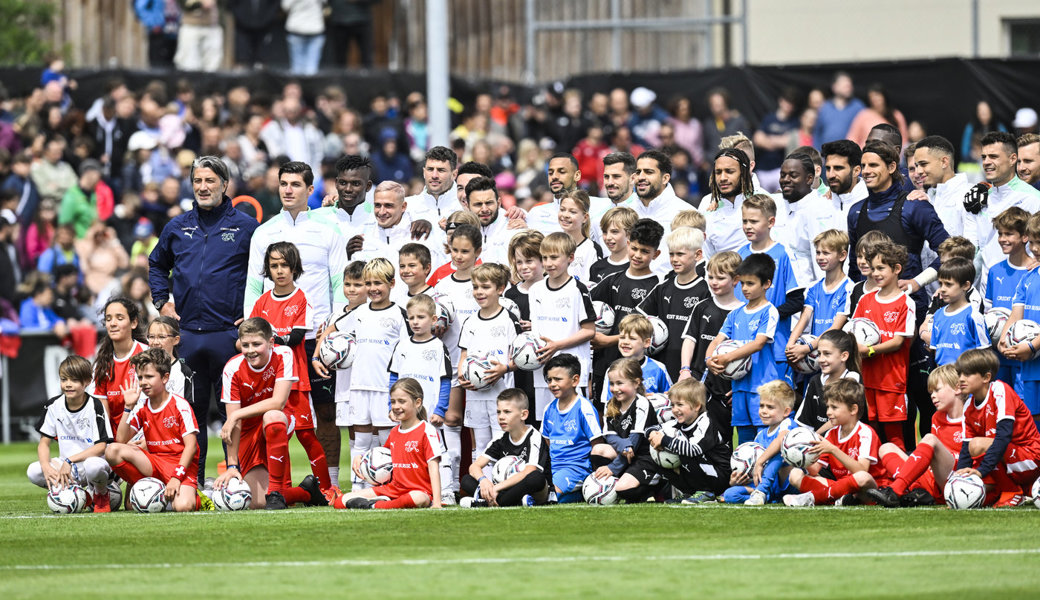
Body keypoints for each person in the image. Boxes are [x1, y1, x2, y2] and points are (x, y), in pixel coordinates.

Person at [148, 155, 259, 483]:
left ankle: (235, 479)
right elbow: (156, 264)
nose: (203, 187)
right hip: (188, 337)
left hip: (229, 335)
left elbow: (265, 274)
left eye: (210, 180)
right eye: (197, 181)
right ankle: (191, 483)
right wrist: (161, 302)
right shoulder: (177, 226)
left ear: (225, 184)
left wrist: (252, 312)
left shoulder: (247, 228)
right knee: (191, 416)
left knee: (231, 412)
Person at [244, 161, 347, 466]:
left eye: (296, 184)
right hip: (274, 341)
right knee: (271, 411)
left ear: (310, 189)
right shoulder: (263, 233)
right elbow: (253, 285)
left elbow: (339, 283)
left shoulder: (328, 230)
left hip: (317, 338)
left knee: (326, 411)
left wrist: (334, 326)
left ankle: (328, 481)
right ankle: (271, 480)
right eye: (283, 184)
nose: (288, 190)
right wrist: (250, 333)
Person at [247, 241, 332, 494]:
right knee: (276, 434)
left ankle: (327, 489)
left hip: (295, 381)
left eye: (284, 265)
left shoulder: (302, 298)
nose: (279, 270)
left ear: (294, 268)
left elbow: (296, 337)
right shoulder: (261, 302)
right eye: (274, 265)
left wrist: (269, 339)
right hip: (268, 383)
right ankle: (281, 490)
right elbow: (252, 337)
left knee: (306, 436)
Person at [215, 318, 324, 509]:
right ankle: (307, 492)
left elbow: (278, 402)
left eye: (257, 344)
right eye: (245, 345)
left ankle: (275, 491)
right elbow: (234, 424)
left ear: (271, 342)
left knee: (272, 417)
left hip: (280, 419)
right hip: (249, 431)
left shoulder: (284, 354)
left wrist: (236, 415)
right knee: (256, 502)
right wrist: (231, 466)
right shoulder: (232, 368)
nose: (251, 350)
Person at [846, 141, 949, 313]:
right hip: (867, 310)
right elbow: (854, 267)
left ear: (892, 167)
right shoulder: (855, 211)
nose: (866, 171)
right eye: (863, 166)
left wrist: (917, 282)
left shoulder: (914, 206)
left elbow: (950, 252)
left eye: (873, 165)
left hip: (908, 308)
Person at [105, 349, 201, 512]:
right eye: (140, 377)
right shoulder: (141, 406)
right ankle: (148, 488)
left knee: (183, 506)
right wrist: (128, 407)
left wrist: (176, 477)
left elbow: (191, 447)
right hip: (154, 462)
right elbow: (120, 440)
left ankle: (196, 497)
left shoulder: (180, 405)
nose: (143, 382)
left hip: (179, 464)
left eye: (149, 377)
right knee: (112, 450)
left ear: (165, 378)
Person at [333, 378, 444, 509]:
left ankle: (376, 505)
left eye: (402, 401)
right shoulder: (394, 432)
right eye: (393, 402)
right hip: (393, 489)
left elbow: (433, 467)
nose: (396, 406)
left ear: (417, 402)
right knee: (341, 501)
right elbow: (381, 455)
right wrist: (361, 458)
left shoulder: (427, 430)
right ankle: (382, 503)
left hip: (419, 491)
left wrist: (437, 502)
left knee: (418, 498)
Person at [705, 253, 781, 445]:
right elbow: (717, 341)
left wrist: (727, 358)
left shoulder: (769, 311)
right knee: (744, 441)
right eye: (743, 283)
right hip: (739, 388)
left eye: (751, 283)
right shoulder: (735, 314)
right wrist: (709, 360)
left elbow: (758, 343)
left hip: (762, 388)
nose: (745, 288)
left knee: (763, 439)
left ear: (766, 284)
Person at [868, 365, 966, 507]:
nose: (932, 395)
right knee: (886, 448)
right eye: (931, 392)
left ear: (957, 388)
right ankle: (918, 492)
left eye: (937, 390)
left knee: (930, 439)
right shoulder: (937, 417)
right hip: (934, 479)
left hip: (957, 480)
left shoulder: (971, 416)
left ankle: (896, 490)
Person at [28, 355, 114, 511]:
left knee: (93, 467)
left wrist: (69, 460)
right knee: (33, 471)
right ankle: (79, 493)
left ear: (87, 381)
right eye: (64, 379)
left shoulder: (95, 406)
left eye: (74, 380)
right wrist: (46, 466)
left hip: (91, 463)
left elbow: (101, 447)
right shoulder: (53, 405)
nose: (68, 384)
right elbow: (44, 443)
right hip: (66, 467)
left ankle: (101, 492)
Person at [589, 219, 662, 402]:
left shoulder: (657, 287)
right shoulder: (613, 280)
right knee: (604, 408)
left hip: (635, 366)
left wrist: (609, 340)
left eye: (645, 251)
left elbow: (646, 331)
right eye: (634, 248)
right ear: (628, 244)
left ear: (656, 254)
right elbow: (587, 306)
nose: (637, 255)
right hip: (604, 361)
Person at [783, 379, 888, 506]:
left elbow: (862, 470)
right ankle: (841, 499)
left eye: (834, 407)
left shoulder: (865, 433)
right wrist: (798, 456)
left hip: (869, 490)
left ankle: (814, 498)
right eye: (828, 407)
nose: (828, 412)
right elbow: (814, 471)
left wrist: (833, 449)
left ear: (853, 409)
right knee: (795, 475)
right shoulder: (831, 434)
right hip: (843, 488)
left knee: (862, 477)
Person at [954, 349, 1040, 504]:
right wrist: (959, 478)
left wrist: (981, 472)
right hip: (1008, 462)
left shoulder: (1000, 390)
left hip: (1031, 457)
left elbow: (1003, 437)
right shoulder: (968, 406)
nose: (961, 379)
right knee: (974, 447)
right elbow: (965, 450)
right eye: (959, 374)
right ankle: (1020, 489)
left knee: (978, 445)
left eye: (967, 374)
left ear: (986, 377)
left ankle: (1012, 491)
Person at [851, 242, 915, 450]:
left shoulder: (905, 302)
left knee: (894, 434)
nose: (875, 273)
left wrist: (869, 350)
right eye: (873, 268)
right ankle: (878, 469)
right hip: (868, 377)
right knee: (872, 429)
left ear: (896, 269)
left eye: (881, 268)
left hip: (891, 379)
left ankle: (900, 469)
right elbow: (853, 329)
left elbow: (898, 341)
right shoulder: (865, 300)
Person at [528, 233, 596, 422]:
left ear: (570, 257)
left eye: (554, 257)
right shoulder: (535, 290)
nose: (548, 263)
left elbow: (589, 331)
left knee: (574, 424)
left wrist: (557, 345)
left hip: (571, 373)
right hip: (542, 372)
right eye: (544, 258)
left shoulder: (578, 289)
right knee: (548, 424)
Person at [458, 263, 523, 458]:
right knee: (481, 445)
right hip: (475, 395)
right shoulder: (470, 322)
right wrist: (462, 376)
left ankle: (500, 477)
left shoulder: (509, 319)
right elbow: (464, 355)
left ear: (500, 289)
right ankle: (481, 477)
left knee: (500, 442)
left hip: (502, 394)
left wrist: (505, 368)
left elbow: (520, 358)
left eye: (485, 287)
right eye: (475, 287)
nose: (479, 292)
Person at [313, 260, 367, 490]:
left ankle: (364, 481)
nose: (351, 289)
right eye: (347, 284)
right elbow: (324, 343)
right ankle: (333, 484)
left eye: (358, 284)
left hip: (366, 380)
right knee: (347, 426)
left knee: (364, 430)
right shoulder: (334, 316)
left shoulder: (369, 313)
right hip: (343, 384)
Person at [736, 194, 802, 375]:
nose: (748, 226)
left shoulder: (784, 253)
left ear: (771, 222)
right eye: (744, 221)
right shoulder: (739, 255)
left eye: (754, 221)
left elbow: (797, 300)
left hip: (774, 347)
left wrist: (766, 318)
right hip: (741, 345)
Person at [636, 226, 709, 380]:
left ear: (697, 255)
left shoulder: (706, 290)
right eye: (671, 254)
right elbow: (637, 318)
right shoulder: (663, 287)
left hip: (691, 369)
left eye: (680, 254)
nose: (674, 259)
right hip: (662, 363)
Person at [964, 132, 1040, 281]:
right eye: (984, 157)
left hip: (1023, 285)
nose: (986, 162)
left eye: (993, 156)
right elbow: (972, 248)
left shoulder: (1034, 198)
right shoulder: (978, 199)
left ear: (1012, 159)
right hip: (986, 288)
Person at [460, 389, 550, 507]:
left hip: (531, 490)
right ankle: (509, 501)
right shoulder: (500, 438)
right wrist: (483, 480)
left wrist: (496, 488)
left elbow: (529, 471)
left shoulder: (534, 436)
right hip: (505, 490)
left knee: (536, 478)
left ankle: (487, 502)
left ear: (523, 415)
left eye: (507, 412)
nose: (501, 417)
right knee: (466, 480)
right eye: (498, 412)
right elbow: (474, 467)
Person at [590, 358, 662, 503]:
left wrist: (613, 467)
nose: (615, 388)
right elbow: (609, 436)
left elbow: (635, 441)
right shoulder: (610, 404)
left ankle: (655, 485)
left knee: (623, 489)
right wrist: (624, 446)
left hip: (644, 457)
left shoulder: (642, 403)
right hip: (626, 453)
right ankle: (607, 485)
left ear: (636, 383)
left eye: (620, 383)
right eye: (612, 383)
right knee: (598, 449)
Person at [647, 379, 730, 503]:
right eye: (672, 405)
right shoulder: (679, 421)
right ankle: (689, 492)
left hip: (719, 475)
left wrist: (663, 440)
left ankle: (706, 492)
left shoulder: (705, 422)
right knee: (657, 455)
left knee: (685, 452)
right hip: (702, 471)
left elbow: (693, 449)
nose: (675, 410)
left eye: (680, 405)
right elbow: (650, 429)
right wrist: (653, 434)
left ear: (697, 406)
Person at [540, 353, 604, 504]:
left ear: (575, 380)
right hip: (553, 468)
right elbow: (547, 443)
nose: (552, 384)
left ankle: (581, 491)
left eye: (558, 379)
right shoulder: (548, 409)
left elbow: (598, 446)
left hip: (577, 469)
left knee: (546, 495)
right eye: (549, 380)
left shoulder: (584, 408)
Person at [786, 229, 852, 370]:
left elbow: (835, 328)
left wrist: (807, 348)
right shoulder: (813, 287)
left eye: (826, 253)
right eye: (818, 252)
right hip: (814, 356)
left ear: (842, 255)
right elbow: (804, 318)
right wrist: (790, 346)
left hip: (835, 359)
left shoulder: (848, 288)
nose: (820, 257)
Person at [725, 380, 799, 505]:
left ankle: (761, 492)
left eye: (770, 407)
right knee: (730, 494)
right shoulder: (760, 435)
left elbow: (780, 440)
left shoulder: (788, 424)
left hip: (789, 481)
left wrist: (760, 461)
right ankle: (764, 496)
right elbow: (755, 467)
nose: (764, 411)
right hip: (771, 486)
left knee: (780, 451)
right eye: (761, 406)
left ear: (786, 411)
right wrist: (738, 480)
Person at [986, 207, 1036, 385]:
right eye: (1000, 233)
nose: (1002, 239)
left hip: (1027, 357)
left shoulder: (1034, 271)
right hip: (999, 357)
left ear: (1025, 237)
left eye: (1009, 234)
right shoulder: (995, 271)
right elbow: (989, 313)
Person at [350, 181, 445, 270]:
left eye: (388, 206)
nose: (381, 212)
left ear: (403, 207)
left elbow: (434, 274)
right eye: (378, 205)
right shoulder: (362, 238)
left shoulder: (421, 236)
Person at [999, 212, 1040, 420]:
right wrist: (1003, 341)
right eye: (1032, 242)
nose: (1035, 249)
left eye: (1039, 243)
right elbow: (1016, 315)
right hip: (1032, 366)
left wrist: (1032, 346)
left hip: (1031, 350)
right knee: (1033, 419)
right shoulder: (1028, 278)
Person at [775, 153, 838, 284]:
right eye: (782, 175)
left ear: (809, 179)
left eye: (793, 175)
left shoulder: (820, 208)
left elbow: (824, 260)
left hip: (805, 287)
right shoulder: (776, 205)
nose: (786, 180)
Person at [90, 297, 148, 432]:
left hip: (145, 435)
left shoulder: (148, 354)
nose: (113, 323)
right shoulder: (101, 363)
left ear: (133, 323)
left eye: (119, 318)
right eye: (108, 319)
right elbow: (102, 414)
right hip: (113, 439)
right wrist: (108, 440)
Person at [504, 230, 544, 419]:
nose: (523, 267)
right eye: (519, 262)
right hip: (519, 367)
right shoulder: (511, 295)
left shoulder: (550, 290)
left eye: (529, 261)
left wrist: (536, 326)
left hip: (544, 362)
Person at [631, 150, 688, 273]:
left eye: (648, 172)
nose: (641, 177)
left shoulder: (685, 214)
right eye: (638, 172)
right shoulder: (626, 211)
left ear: (665, 178)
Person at [794, 329, 861, 433]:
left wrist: (815, 437)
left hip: (844, 441)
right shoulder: (815, 381)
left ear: (844, 356)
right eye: (819, 354)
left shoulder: (852, 378)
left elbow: (838, 419)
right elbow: (804, 422)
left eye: (827, 354)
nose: (821, 359)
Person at [925, 258, 989, 366]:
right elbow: (936, 353)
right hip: (943, 375)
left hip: (966, 374)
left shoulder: (973, 316)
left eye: (948, 284)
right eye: (940, 283)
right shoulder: (938, 315)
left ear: (966, 285)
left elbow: (984, 352)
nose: (942, 289)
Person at [699, 148, 756, 257]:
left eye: (729, 171)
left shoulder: (761, 200)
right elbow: (705, 254)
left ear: (743, 172)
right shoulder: (707, 203)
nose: (722, 178)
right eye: (718, 172)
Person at [912, 136, 969, 238]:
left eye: (923, 164)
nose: (918, 171)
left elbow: (973, 244)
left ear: (944, 162)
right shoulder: (925, 197)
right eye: (917, 166)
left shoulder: (968, 196)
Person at [753, 88, 801, 192]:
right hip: (762, 169)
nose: (789, 106)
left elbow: (789, 142)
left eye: (792, 103)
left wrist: (769, 139)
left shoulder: (794, 122)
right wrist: (778, 140)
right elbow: (757, 139)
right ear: (781, 101)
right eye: (787, 101)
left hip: (781, 170)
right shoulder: (769, 118)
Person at [526, 152, 582, 235]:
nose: (554, 176)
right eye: (550, 173)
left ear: (577, 175)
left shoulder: (598, 208)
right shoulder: (536, 213)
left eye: (562, 172)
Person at [145, 316, 194, 404]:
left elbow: (186, 406)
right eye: (151, 337)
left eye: (162, 337)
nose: (155, 342)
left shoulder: (183, 371)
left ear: (176, 340)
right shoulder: (140, 367)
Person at [406, 146, 460, 224]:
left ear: (454, 174)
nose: (434, 176)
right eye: (430, 169)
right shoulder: (408, 206)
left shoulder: (465, 206)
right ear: (424, 172)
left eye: (441, 170)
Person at [845, 84, 909, 149]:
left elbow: (904, 139)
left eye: (877, 96)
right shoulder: (863, 115)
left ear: (884, 96)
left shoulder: (896, 115)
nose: (875, 99)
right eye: (872, 97)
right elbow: (852, 137)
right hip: (866, 152)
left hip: (889, 153)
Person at [813, 72, 865, 148]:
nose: (849, 88)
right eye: (845, 86)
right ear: (835, 87)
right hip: (827, 153)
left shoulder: (858, 107)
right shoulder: (825, 107)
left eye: (850, 86)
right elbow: (817, 133)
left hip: (850, 153)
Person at [559, 190, 601, 283]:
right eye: (562, 209)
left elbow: (594, 284)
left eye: (572, 212)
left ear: (585, 217)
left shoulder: (592, 249)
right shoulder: (551, 243)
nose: (565, 215)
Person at [820, 140, 868, 221]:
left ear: (856, 171)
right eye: (828, 168)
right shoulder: (820, 204)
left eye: (838, 168)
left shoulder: (872, 203)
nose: (831, 175)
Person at [589, 205, 636, 285]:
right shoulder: (596, 267)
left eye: (614, 232)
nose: (608, 237)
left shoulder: (639, 267)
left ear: (629, 233)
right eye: (604, 232)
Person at [58, 159, 101, 239]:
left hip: (91, 241)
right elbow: (64, 225)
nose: (100, 178)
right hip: (76, 242)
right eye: (98, 175)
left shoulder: (93, 195)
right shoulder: (71, 195)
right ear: (89, 174)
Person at [327, 0, 377, 69]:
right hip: (339, 22)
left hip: (362, 21)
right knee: (339, 59)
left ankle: (368, 74)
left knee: (367, 57)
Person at [174, 0, 222, 72]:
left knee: (212, 65)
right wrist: (200, 3)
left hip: (212, 26)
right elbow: (183, 4)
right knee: (188, 64)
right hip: (191, 26)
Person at [282, 0, 325, 75]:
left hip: (310, 29)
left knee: (304, 69)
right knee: (304, 69)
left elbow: (285, 6)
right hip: (302, 29)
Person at [703, 87, 750, 155]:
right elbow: (706, 147)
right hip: (714, 159)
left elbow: (748, 144)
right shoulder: (709, 124)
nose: (715, 105)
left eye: (718, 103)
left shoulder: (738, 121)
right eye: (712, 104)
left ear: (725, 102)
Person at [133, 0, 179, 68]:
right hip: (157, 32)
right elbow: (140, 8)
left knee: (170, 63)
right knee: (157, 63)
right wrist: (153, 23)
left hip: (172, 33)